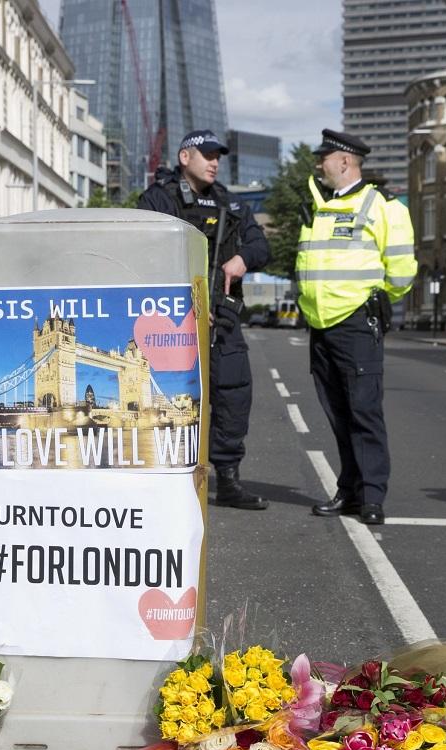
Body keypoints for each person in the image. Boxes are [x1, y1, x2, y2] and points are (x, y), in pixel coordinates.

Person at [137, 130, 272, 510]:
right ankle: (165, 481)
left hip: (223, 319)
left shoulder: (229, 202)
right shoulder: (158, 199)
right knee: (169, 398)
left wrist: (243, 258)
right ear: (185, 157)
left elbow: (261, 245)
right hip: (173, 320)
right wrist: (185, 304)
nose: (215, 163)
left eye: (218, 157)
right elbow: (146, 251)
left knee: (233, 394)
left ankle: (227, 480)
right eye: (207, 155)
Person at [298, 129, 416, 526]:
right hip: (320, 324)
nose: (319, 164)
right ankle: (349, 491)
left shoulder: (382, 206)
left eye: (325, 157)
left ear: (345, 161)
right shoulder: (319, 207)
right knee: (338, 414)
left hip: (355, 322)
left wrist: (376, 300)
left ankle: (371, 496)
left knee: (364, 412)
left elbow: (402, 270)